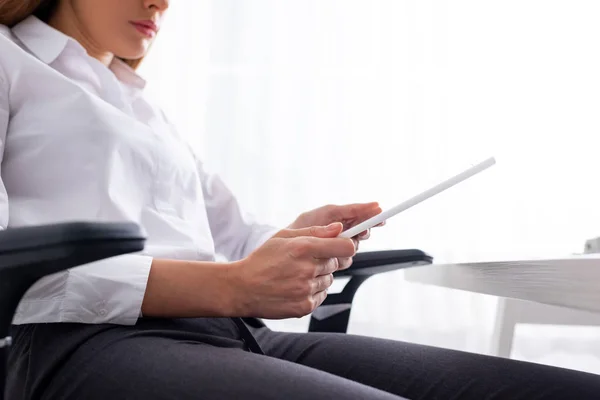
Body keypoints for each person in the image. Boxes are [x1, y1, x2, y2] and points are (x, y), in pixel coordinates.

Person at [0, 1, 599, 399]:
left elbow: (232, 241)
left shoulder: (138, 101)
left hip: (223, 333)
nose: (162, 0)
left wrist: (301, 240)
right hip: (79, 345)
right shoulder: (12, 62)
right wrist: (231, 286)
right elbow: (12, 266)